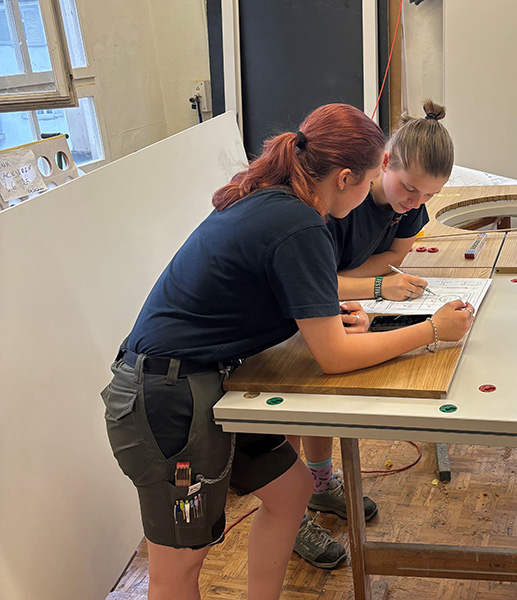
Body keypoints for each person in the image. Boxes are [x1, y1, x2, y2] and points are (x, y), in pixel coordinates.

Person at [101, 103, 474, 600]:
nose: (369, 197)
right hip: (165, 399)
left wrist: (348, 314)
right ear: (346, 178)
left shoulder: (282, 204)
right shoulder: (299, 225)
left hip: (201, 381)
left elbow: (304, 310)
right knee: (179, 569)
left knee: (293, 490)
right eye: (367, 184)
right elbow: (334, 357)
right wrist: (431, 330)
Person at [293, 99, 456, 569]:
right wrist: (375, 286)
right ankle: (290, 506)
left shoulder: (409, 206)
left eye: (426, 197)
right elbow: (318, 276)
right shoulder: (329, 205)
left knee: (327, 400)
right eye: (408, 189)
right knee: (292, 404)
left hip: (340, 304)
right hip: (293, 313)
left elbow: (391, 259)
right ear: (383, 163)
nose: (413, 203)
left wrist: (360, 286)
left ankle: (320, 487)